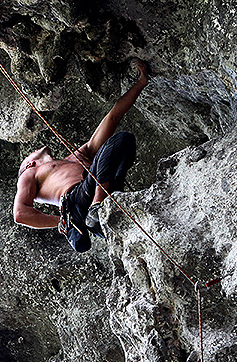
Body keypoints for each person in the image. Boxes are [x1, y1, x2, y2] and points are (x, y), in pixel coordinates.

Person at [13, 60, 150, 252]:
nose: (33, 150)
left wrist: (140, 84)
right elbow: (20, 214)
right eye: (29, 154)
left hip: (97, 188)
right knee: (111, 153)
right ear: (29, 163)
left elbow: (113, 117)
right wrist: (61, 222)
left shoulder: (78, 156)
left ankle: (100, 210)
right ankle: (96, 209)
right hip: (76, 201)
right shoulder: (29, 174)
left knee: (123, 140)